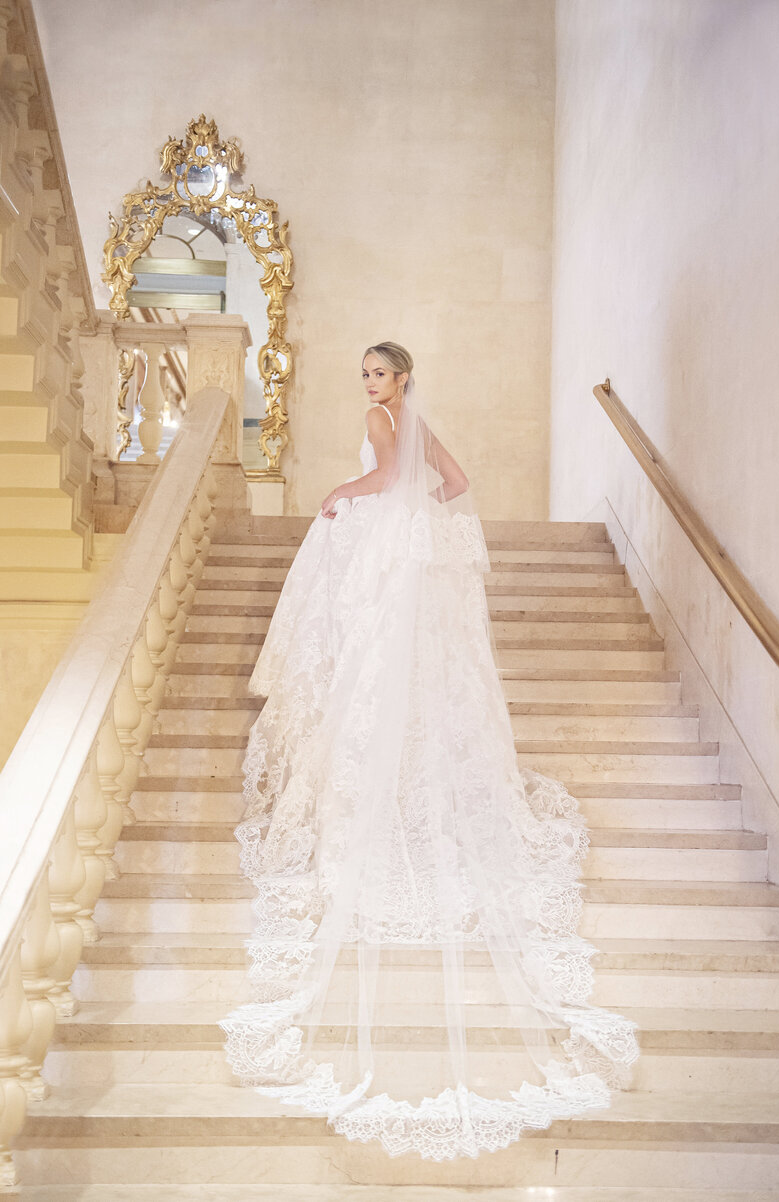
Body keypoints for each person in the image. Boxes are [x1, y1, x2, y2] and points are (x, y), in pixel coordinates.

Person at [219, 342, 639, 1161]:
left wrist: (347, 492)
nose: (370, 387)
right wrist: (412, 514)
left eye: (378, 373)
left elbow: (383, 480)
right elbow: (454, 485)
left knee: (374, 672)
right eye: (366, 375)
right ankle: (417, 785)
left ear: (400, 378)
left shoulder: (382, 421)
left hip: (388, 559)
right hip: (415, 562)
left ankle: (384, 787)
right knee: (415, 680)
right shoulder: (418, 420)